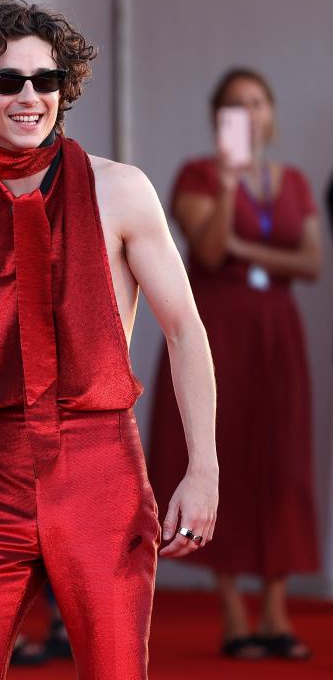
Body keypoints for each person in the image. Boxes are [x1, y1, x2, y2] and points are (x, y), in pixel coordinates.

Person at [0, 0, 219, 679]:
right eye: (9, 82)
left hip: (101, 470)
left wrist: (202, 468)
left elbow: (184, 327)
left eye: (46, 81)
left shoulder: (121, 190)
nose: (31, 97)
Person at [147, 68, 322, 661]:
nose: (247, 116)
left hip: (276, 334)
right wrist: (228, 185)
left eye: (256, 104)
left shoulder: (292, 181)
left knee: (281, 462)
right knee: (217, 454)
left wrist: (255, 250)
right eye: (233, 107)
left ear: (270, 113)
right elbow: (213, 249)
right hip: (216, 330)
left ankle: (276, 610)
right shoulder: (197, 176)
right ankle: (232, 613)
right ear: (218, 117)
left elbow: (312, 262)